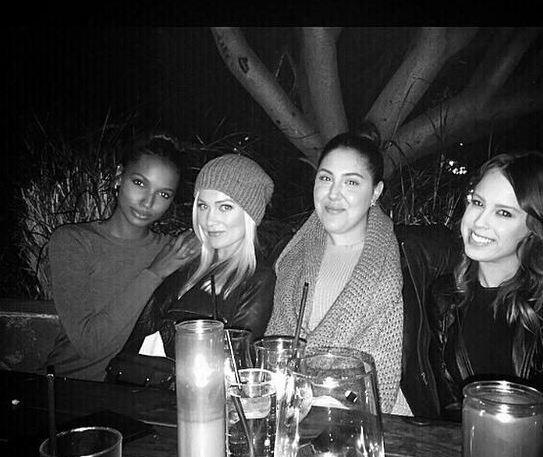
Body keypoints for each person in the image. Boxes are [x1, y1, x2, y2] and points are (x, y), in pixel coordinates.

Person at [426, 151, 543, 436]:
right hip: (468, 448)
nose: (479, 222)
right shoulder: (445, 295)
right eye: (477, 203)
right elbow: (451, 405)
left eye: (503, 213)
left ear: (536, 227)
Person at [266, 126, 412, 415]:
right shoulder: (294, 255)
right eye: (325, 178)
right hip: (286, 406)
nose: (333, 194)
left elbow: (377, 379)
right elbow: (275, 347)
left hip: (362, 415)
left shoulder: (383, 273)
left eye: (351, 182)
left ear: (376, 192)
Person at [44, 134, 199, 381]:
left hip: (138, 391)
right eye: (139, 183)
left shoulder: (172, 251)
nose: (148, 202)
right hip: (69, 387)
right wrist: (156, 272)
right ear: (119, 176)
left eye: (164, 194)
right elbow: (89, 344)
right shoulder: (74, 241)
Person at [122, 153, 276, 357]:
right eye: (203, 206)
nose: (209, 220)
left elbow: (236, 359)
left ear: (250, 215)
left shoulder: (257, 280)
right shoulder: (182, 261)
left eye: (225, 207)